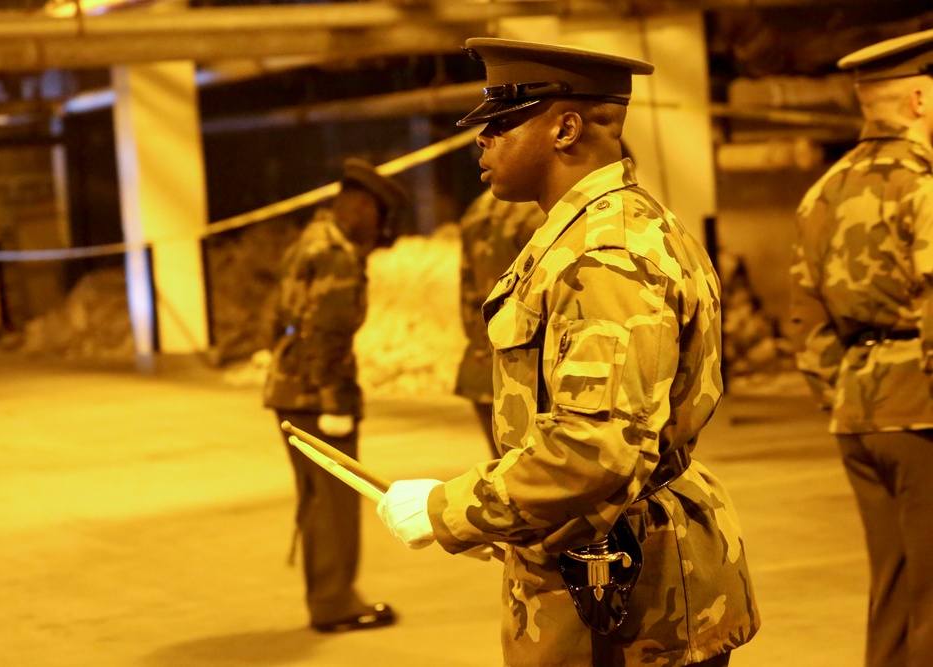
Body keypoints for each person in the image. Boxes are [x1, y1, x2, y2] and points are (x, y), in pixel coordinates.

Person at [377, 38, 759, 666]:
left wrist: (451, 509)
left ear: (566, 128)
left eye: (501, 123)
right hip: (599, 566)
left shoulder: (606, 255)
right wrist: (510, 514)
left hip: (627, 596)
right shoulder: (590, 233)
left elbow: (595, 448)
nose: (483, 140)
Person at [789, 29, 933, 667]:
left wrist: (844, 392)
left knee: (895, 591)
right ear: (920, 103)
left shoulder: (824, 191)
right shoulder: (923, 185)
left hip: (858, 416)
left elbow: (804, 319)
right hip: (922, 413)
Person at [263, 157, 408, 633]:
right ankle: (334, 603)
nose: (378, 229)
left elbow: (279, 318)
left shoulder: (309, 240)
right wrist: (333, 402)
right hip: (315, 396)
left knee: (317, 499)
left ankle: (329, 595)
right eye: (377, 216)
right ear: (362, 207)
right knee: (334, 504)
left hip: (291, 388)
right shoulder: (337, 253)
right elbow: (326, 333)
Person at [455, 188, 544, 456]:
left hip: (484, 363)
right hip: (531, 369)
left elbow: (468, 295)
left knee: (507, 471)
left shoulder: (476, 210)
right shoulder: (542, 213)